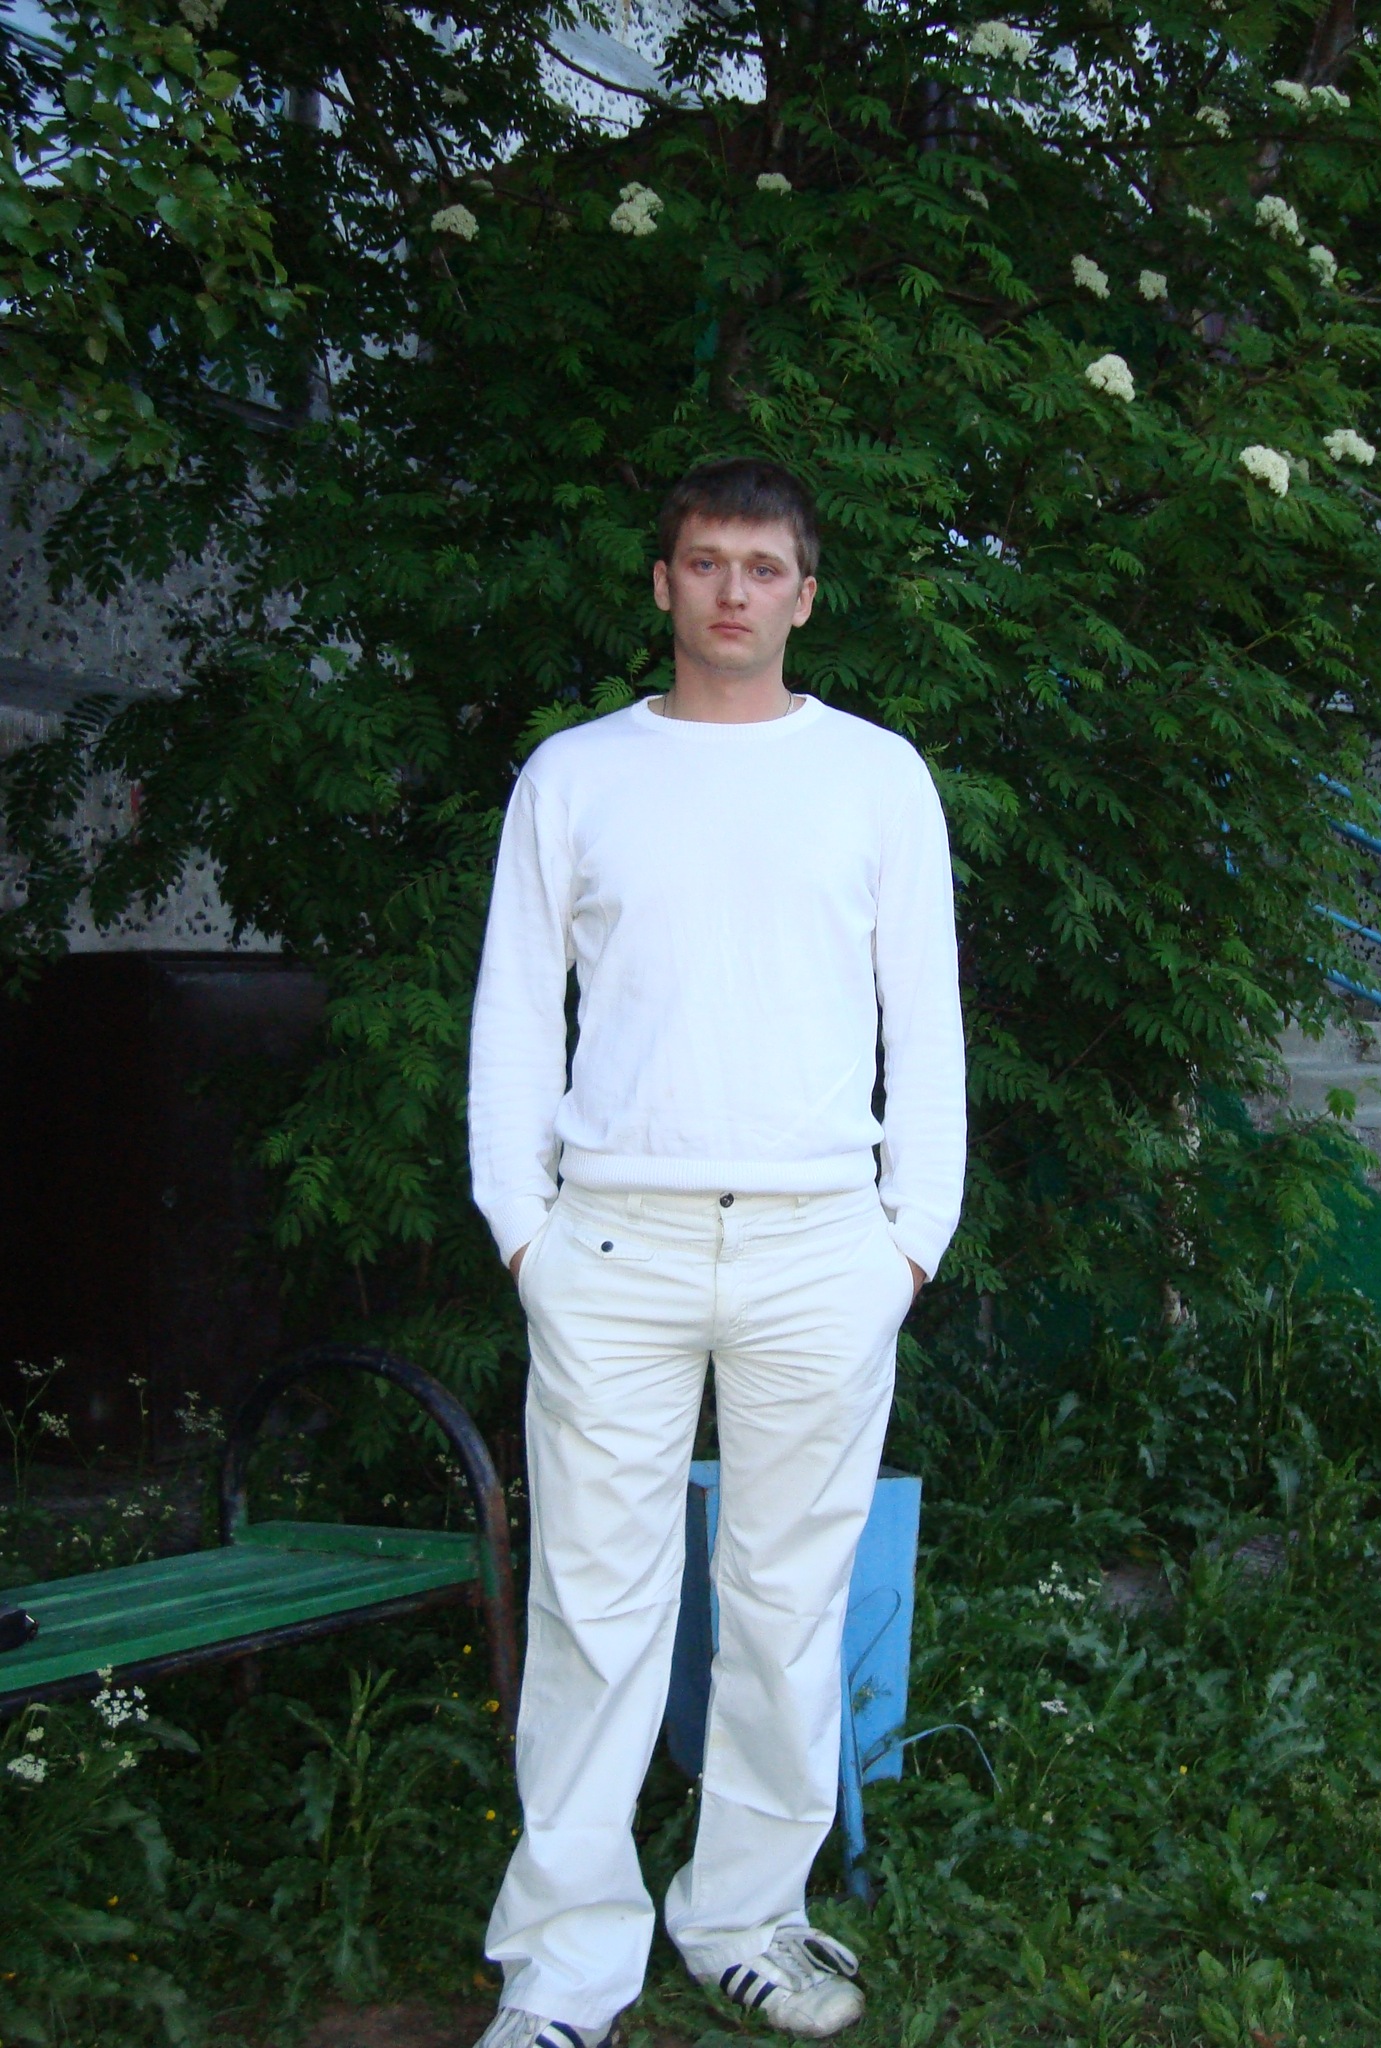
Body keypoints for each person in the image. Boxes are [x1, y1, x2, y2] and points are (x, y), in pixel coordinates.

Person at [466, 457, 967, 2048]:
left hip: (824, 1246)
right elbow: (513, 1016)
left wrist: (908, 1244)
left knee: (786, 1603)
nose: (732, 591)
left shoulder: (877, 777)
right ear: (663, 584)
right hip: (612, 1242)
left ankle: (746, 1915)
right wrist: (526, 1234)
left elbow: (926, 1027)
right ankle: (566, 1965)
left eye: (763, 567)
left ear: (805, 595)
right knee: (592, 1608)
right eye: (705, 562)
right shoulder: (576, 776)